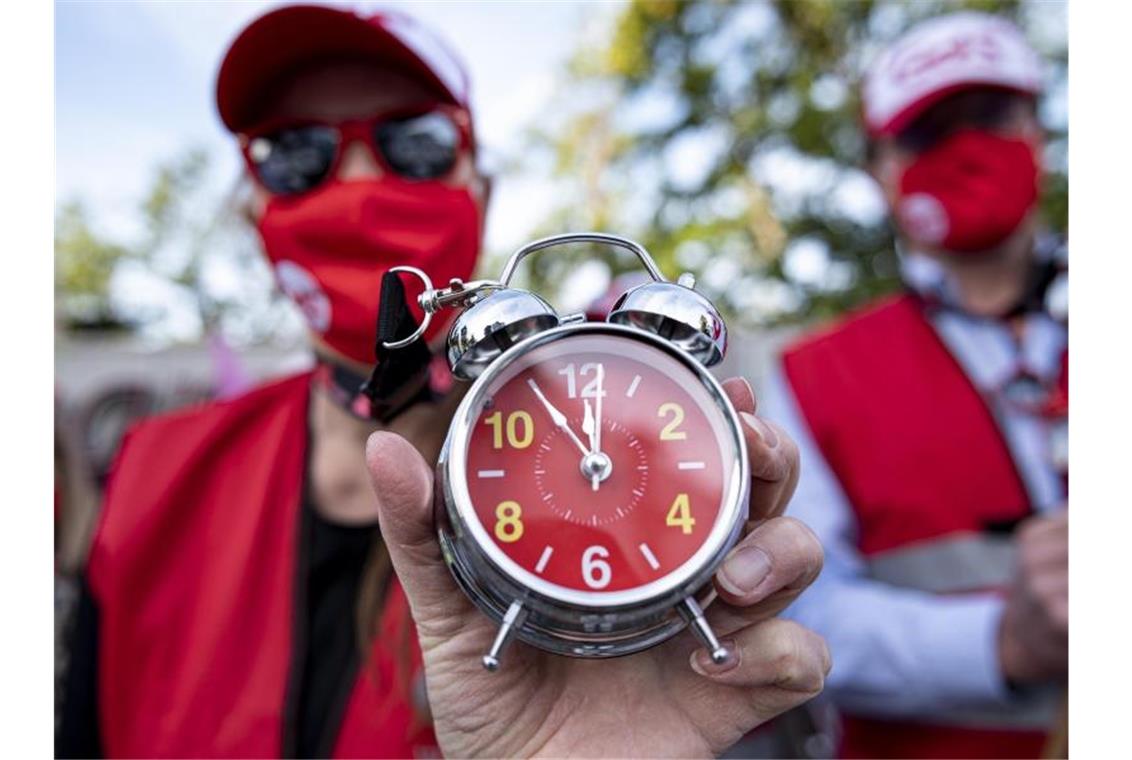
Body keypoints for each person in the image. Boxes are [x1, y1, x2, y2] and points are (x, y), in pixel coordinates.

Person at [58, 5, 829, 758]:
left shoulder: (617, 456)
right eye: (295, 152)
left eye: (415, 142)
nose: (358, 181)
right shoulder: (149, 474)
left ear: (481, 190)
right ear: (253, 203)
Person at [765, 12, 1068, 759]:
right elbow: (802, 615)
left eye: (991, 115)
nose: (965, 147)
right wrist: (999, 644)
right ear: (879, 168)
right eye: (929, 133)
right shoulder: (813, 372)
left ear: (1039, 130)